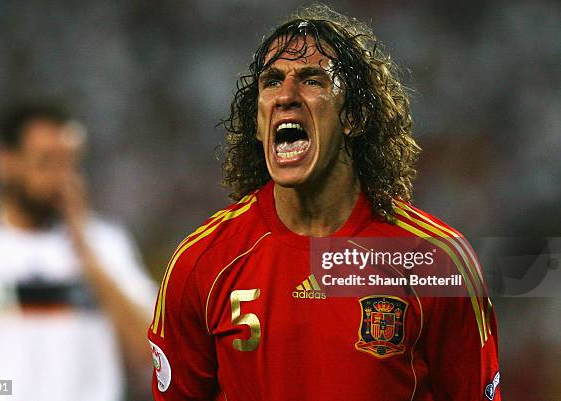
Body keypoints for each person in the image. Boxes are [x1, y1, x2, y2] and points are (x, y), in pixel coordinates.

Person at [148, 4, 500, 401]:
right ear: (259, 123)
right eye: (272, 81)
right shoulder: (202, 263)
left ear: (355, 116)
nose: (286, 96)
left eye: (312, 80)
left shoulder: (435, 260)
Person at [0, 101, 158, 401]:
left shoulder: (106, 244)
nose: (61, 176)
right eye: (46, 161)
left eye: (69, 162)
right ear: (5, 161)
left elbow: (150, 348)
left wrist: (89, 257)